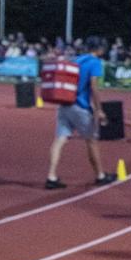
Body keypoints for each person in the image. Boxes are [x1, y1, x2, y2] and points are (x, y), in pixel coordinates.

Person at [45, 35, 116, 189]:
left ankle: (51, 176)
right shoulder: (95, 63)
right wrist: (99, 109)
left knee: (60, 140)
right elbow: (94, 87)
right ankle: (100, 175)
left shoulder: (76, 60)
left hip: (64, 103)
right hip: (81, 107)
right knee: (91, 141)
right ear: (99, 49)